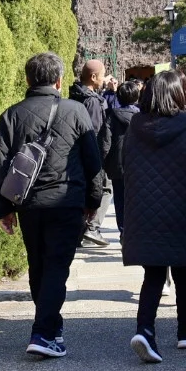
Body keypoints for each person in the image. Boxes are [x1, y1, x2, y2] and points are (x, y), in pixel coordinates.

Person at [0, 51, 105, 359]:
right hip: (66, 200)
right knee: (56, 266)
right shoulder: (76, 112)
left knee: (39, 265)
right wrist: (94, 200)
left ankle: (50, 328)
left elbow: (0, 165)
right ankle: (43, 333)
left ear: (28, 79)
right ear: (59, 80)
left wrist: (3, 208)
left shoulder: (12, 115)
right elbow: (93, 161)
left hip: (28, 203)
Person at [121, 70, 186, 363]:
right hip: (182, 208)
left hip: (144, 209)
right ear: (180, 94)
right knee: (183, 269)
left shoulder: (135, 126)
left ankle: (145, 329)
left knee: (154, 273)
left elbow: (125, 165)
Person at [71, 58, 113, 248]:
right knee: (105, 188)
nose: (104, 79)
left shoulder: (75, 95)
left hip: (76, 155)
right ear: (94, 76)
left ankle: (81, 230)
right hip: (92, 154)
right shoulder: (93, 102)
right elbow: (95, 133)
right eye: (103, 75)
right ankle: (92, 227)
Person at [100, 78, 143, 232]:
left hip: (117, 165)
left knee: (119, 199)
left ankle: (123, 231)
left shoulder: (111, 116)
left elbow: (106, 142)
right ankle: (136, 231)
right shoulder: (142, 117)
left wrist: (103, 163)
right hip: (139, 164)